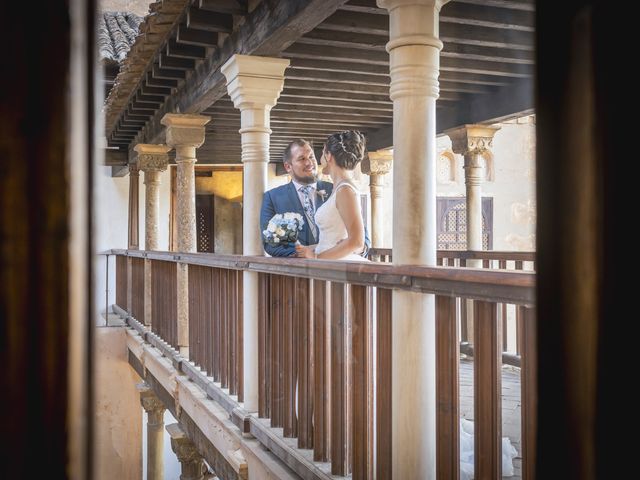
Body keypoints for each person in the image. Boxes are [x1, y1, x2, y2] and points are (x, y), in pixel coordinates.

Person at [260, 138, 369, 258]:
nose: (309, 163)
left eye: (311, 157)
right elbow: (272, 243)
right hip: (296, 272)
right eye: (302, 159)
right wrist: (307, 253)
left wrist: (356, 249)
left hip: (339, 265)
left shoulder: (339, 190)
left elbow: (363, 238)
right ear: (288, 167)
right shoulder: (273, 197)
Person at [295, 131, 368, 261]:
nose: (320, 159)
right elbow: (331, 239)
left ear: (328, 156)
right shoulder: (338, 189)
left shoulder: (345, 190)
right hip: (330, 264)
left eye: (323, 152)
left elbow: (357, 241)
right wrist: (309, 249)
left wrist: (317, 257)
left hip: (338, 265)